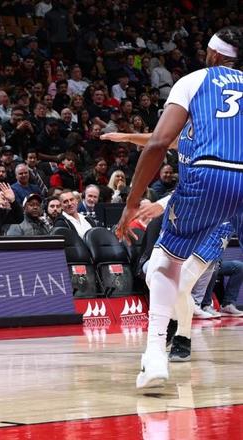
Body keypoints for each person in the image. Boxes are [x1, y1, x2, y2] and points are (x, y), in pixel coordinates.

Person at [115, 27, 243, 389]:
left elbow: (158, 142)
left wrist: (132, 203)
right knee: (182, 280)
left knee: (165, 264)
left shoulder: (194, 82)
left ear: (212, 55)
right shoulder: (209, 124)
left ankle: (157, 352)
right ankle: (181, 339)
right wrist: (128, 137)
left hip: (209, 184)